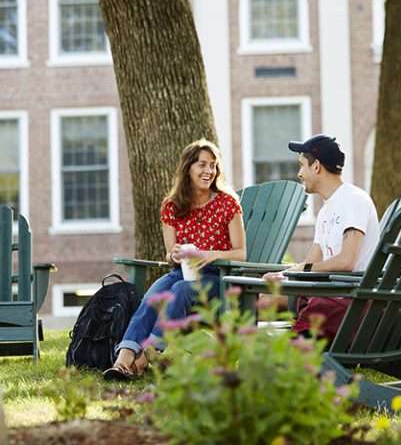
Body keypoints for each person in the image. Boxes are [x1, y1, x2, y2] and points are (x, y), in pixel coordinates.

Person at [103, 139, 246, 381]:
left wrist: (212, 254)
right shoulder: (171, 206)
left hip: (217, 277)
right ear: (188, 168)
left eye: (213, 165)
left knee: (179, 289)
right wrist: (175, 254)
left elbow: (241, 252)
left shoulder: (227, 203)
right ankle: (122, 361)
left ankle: (144, 359)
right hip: (182, 272)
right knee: (153, 297)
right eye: (202, 165)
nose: (208, 171)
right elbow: (170, 255)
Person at [263, 134, 379, 343]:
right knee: (265, 297)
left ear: (316, 166)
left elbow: (347, 261)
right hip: (329, 294)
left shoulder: (353, 200)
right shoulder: (326, 211)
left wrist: (303, 271)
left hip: (351, 302)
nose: (299, 174)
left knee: (291, 348)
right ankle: (237, 351)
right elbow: (311, 261)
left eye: (301, 166)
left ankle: (278, 354)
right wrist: (283, 274)